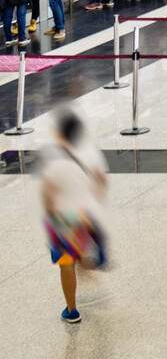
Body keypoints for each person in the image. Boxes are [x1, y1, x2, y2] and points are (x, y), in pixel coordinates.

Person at [40, 108, 108, 325]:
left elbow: (48, 195)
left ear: (59, 134)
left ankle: (71, 310)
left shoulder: (54, 159)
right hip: (83, 214)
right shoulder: (89, 155)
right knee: (77, 250)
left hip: (62, 218)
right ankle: (91, 266)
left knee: (65, 262)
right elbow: (100, 182)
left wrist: (50, 217)